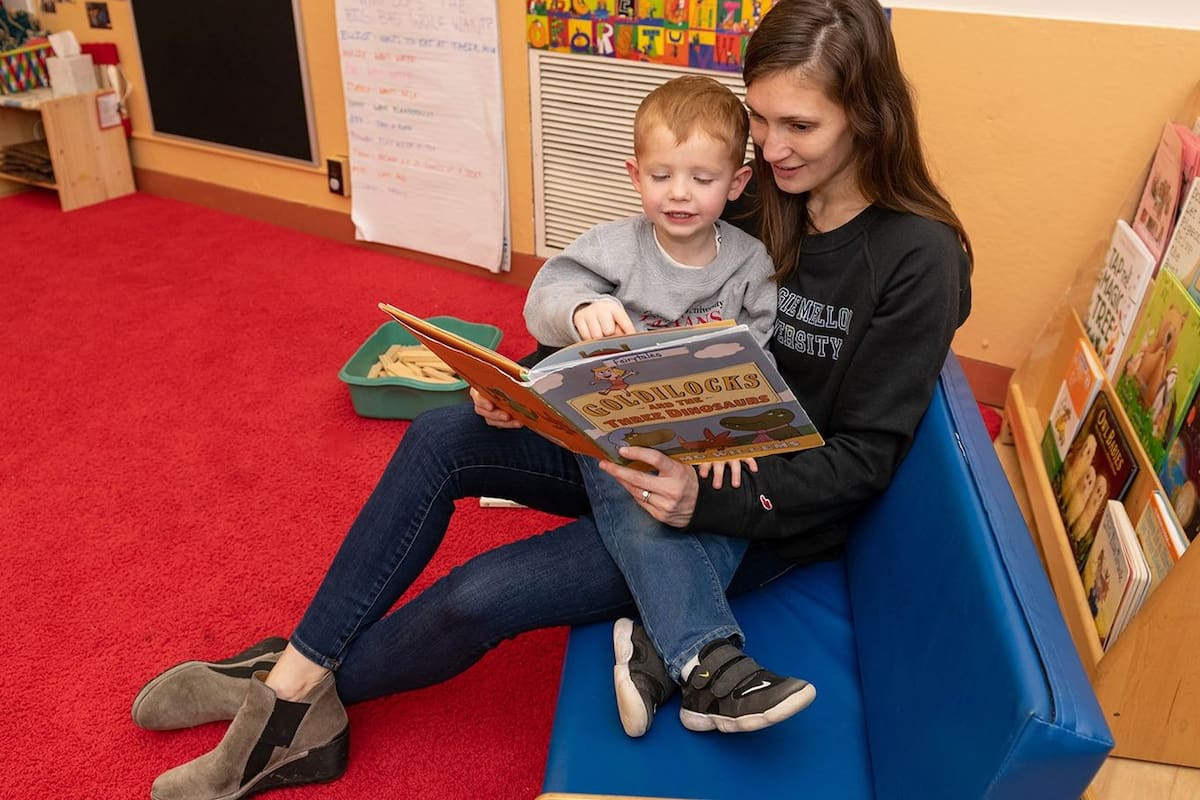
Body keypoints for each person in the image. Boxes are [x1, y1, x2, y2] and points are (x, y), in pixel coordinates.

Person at [134, 2, 972, 798]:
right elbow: (637, 307)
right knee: (440, 437)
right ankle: (295, 683)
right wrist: (531, 382)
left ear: (865, 113)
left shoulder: (918, 257)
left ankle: (281, 688)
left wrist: (703, 496)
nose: (773, 146)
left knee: (481, 596)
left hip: (750, 509)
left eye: (800, 125)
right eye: (760, 118)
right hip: (639, 446)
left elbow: (867, 459)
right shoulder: (759, 191)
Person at [522, 73, 814, 739]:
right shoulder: (612, 246)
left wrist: (739, 439)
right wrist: (583, 307)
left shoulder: (749, 264)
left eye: (701, 179)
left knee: (732, 500)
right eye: (661, 175)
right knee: (637, 489)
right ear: (634, 174)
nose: (679, 193)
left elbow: (758, 360)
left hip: (704, 431)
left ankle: (652, 654)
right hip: (617, 424)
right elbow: (541, 301)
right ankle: (710, 661)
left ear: (736, 185)